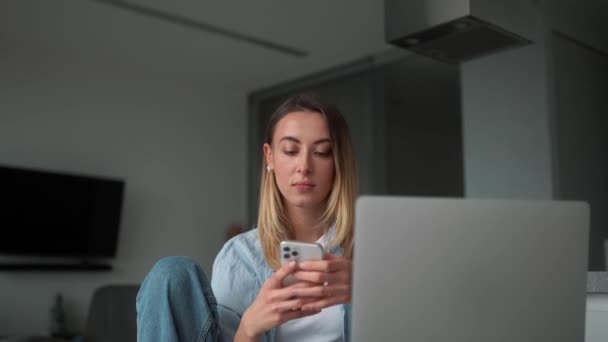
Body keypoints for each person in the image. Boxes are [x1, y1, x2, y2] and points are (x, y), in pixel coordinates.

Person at [136, 94, 358, 342]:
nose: (304, 166)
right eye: (291, 150)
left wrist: (368, 289)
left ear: (338, 162)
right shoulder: (239, 256)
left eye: (322, 152)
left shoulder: (368, 256)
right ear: (270, 157)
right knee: (171, 273)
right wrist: (250, 326)